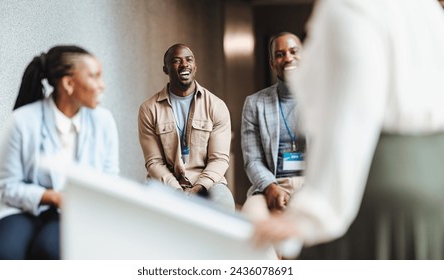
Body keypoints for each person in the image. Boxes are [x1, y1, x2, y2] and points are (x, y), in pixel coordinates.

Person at [252, 0, 444, 260]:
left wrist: (310, 216)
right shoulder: (426, 8)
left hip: (373, 187)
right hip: (433, 185)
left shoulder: (348, 6)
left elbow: (353, 111)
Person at [0, 45, 119, 259]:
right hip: (23, 207)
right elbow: (8, 186)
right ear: (68, 83)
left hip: (77, 211)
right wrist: (54, 198)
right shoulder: (21, 121)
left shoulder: (104, 122)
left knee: (51, 250)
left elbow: (109, 178)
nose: (101, 86)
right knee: (2, 252)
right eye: (94, 77)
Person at [138, 43, 235, 211]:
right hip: (166, 182)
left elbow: (219, 159)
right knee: (144, 209)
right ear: (165, 69)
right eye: (176, 61)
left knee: (224, 204)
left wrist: (198, 187)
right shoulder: (149, 109)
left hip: (208, 182)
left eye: (188, 60)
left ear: (195, 66)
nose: (184, 65)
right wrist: (176, 190)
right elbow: (154, 162)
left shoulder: (216, 106)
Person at [241, 32, 306, 222]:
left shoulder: (324, 100)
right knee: (251, 218)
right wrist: (270, 187)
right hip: (272, 184)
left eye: (294, 51)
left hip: (312, 186)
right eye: (280, 54)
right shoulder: (255, 103)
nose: (288, 58)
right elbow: (252, 160)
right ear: (272, 63)